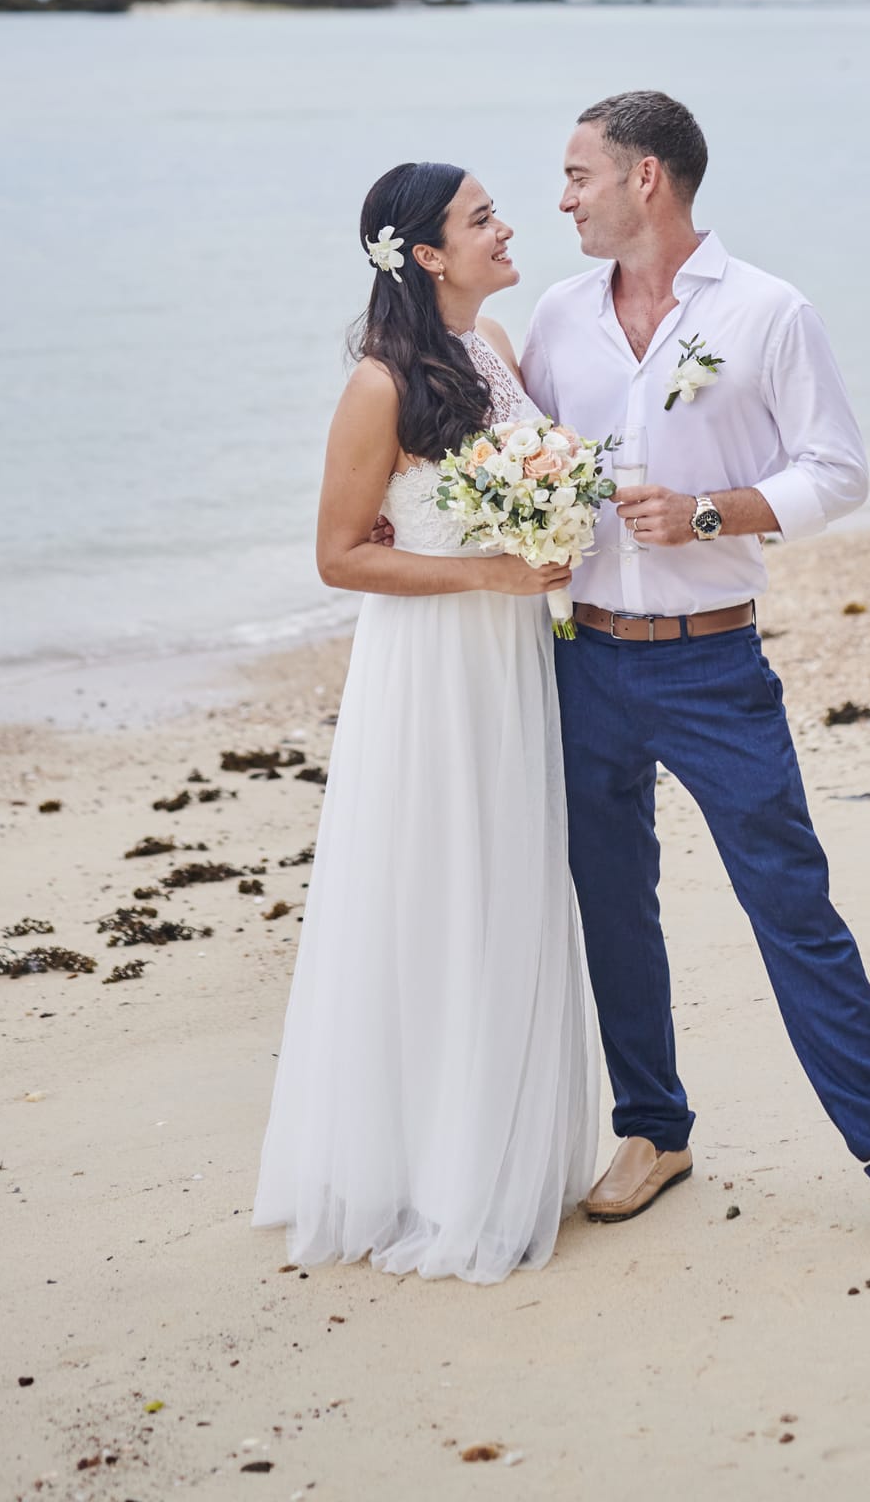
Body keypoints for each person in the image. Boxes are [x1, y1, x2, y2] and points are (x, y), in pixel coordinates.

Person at [521, 91, 870, 1254]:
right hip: (581, 660)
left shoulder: (768, 311)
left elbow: (837, 470)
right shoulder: (554, 315)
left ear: (648, 178)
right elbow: (524, 457)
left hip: (713, 667)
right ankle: (654, 1128)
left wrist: (706, 511)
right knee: (612, 909)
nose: (563, 197)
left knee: (792, 908)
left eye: (579, 173)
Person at [252, 160, 599, 1285]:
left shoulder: (495, 350)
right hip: (434, 666)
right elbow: (338, 554)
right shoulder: (377, 385)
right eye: (482, 218)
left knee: (511, 880)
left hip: (511, 661)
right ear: (428, 255)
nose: (508, 228)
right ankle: (431, 1176)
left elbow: (535, 481)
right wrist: (494, 573)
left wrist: (549, 542)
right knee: (436, 888)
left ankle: (504, 1150)